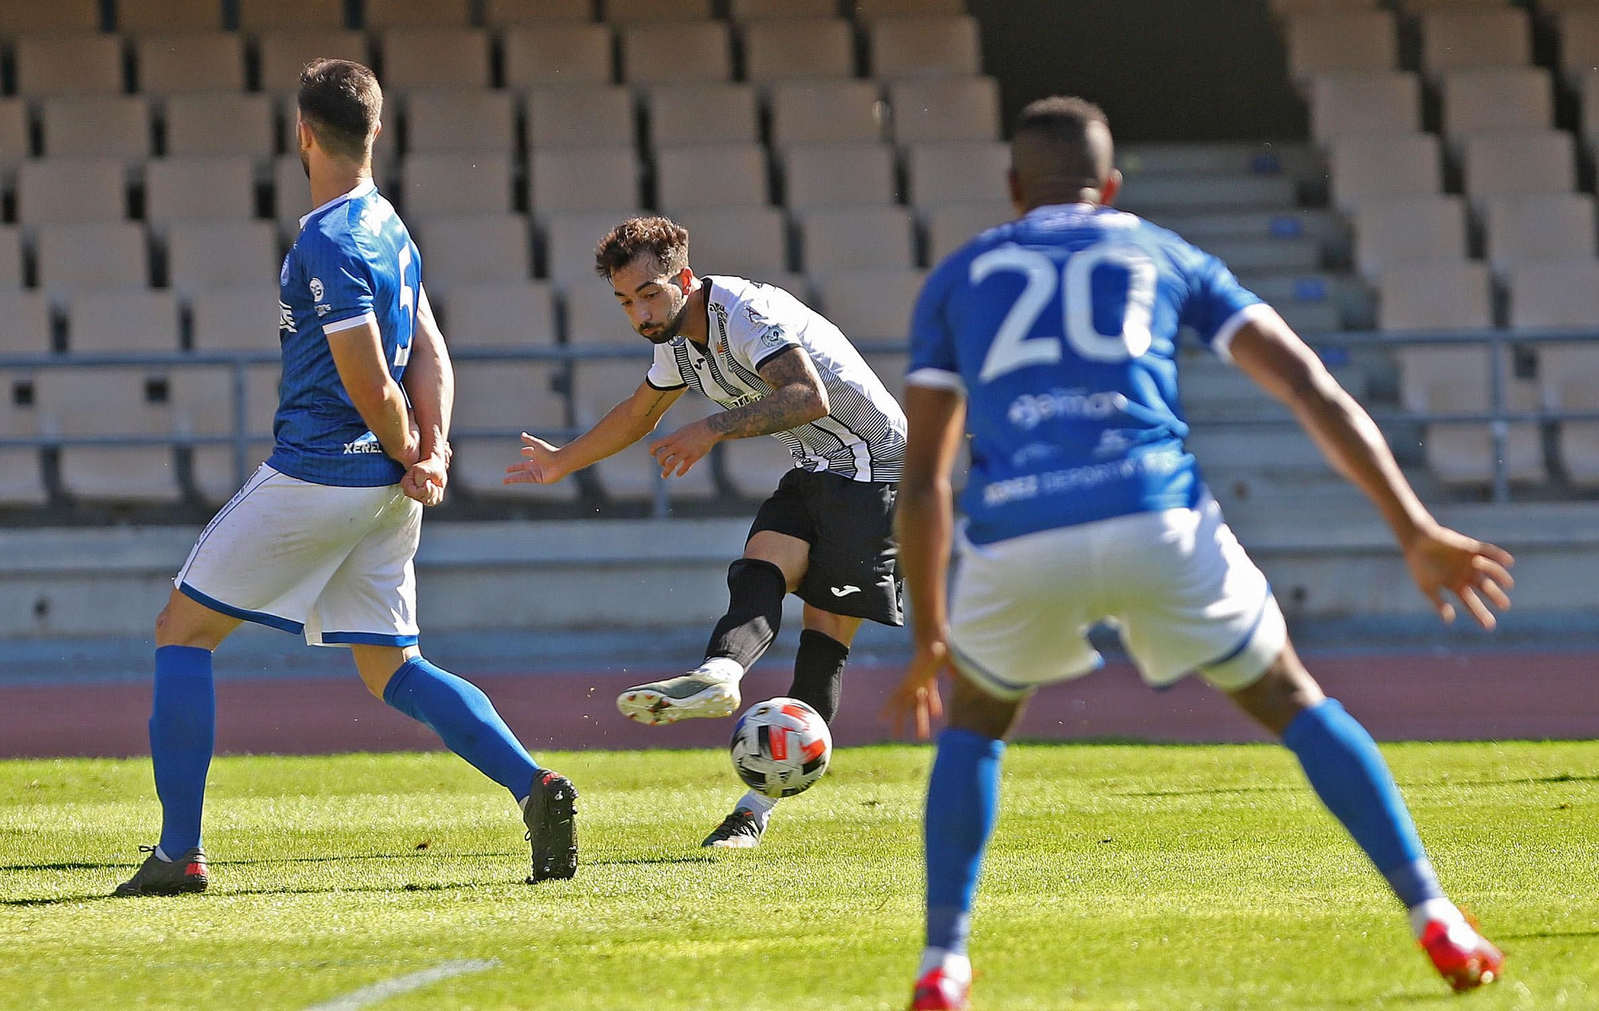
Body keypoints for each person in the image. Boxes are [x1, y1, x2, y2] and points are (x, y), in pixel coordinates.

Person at [885, 96, 1510, 1009]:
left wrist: (929, 636)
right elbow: (1306, 383)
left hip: (1020, 530)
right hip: (1155, 515)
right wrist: (1414, 527)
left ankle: (944, 961)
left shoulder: (961, 274)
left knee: (977, 721)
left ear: (1015, 189)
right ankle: (1435, 914)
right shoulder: (1160, 250)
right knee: (1295, 699)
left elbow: (927, 480)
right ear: (1112, 187)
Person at [115, 59, 576, 896]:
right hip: (387, 493)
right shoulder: (392, 227)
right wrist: (431, 449)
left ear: (301, 134)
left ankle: (179, 850)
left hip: (320, 477)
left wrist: (408, 446)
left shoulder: (328, 239)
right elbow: (431, 350)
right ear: (378, 129)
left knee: (180, 631)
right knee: (389, 665)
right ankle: (533, 785)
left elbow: (369, 381)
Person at [504, 215, 906, 848]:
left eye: (648, 294)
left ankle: (754, 811)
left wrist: (708, 431)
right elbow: (638, 414)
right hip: (816, 468)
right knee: (758, 568)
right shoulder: (675, 342)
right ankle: (720, 673)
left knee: (824, 640)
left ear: (683, 279)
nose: (638, 313)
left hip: (877, 470)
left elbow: (807, 397)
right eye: (624, 301)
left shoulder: (745, 312)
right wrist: (561, 461)